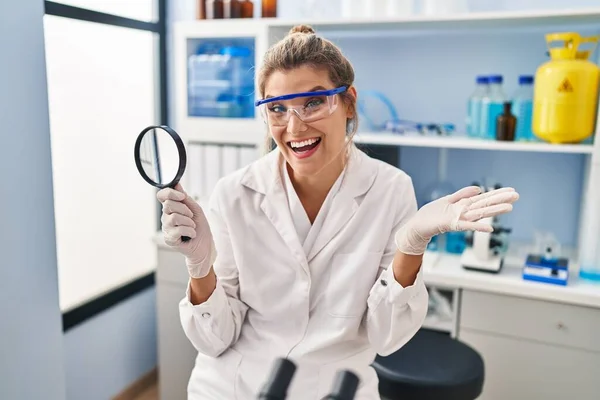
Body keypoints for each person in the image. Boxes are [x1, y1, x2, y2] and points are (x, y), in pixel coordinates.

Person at [157, 25, 519, 400]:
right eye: (277, 109)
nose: (294, 126)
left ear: (348, 101)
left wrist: (411, 247)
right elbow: (213, 339)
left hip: (335, 388)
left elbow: (388, 337)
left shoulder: (391, 190)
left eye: (313, 102)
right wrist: (200, 268)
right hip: (236, 388)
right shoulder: (233, 194)